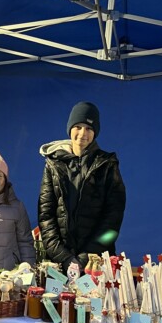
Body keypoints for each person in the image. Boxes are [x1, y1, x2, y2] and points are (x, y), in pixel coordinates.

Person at [38, 101, 126, 275]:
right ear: (70, 128)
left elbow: (113, 221)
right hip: (59, 263)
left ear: (95, 132)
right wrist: (64, 258)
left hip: (95, 264)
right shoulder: (53, 164)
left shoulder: (107, 164)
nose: (82, 133)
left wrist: (86, 258)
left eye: (89, 128)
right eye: (78, 127)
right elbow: (45, 215)